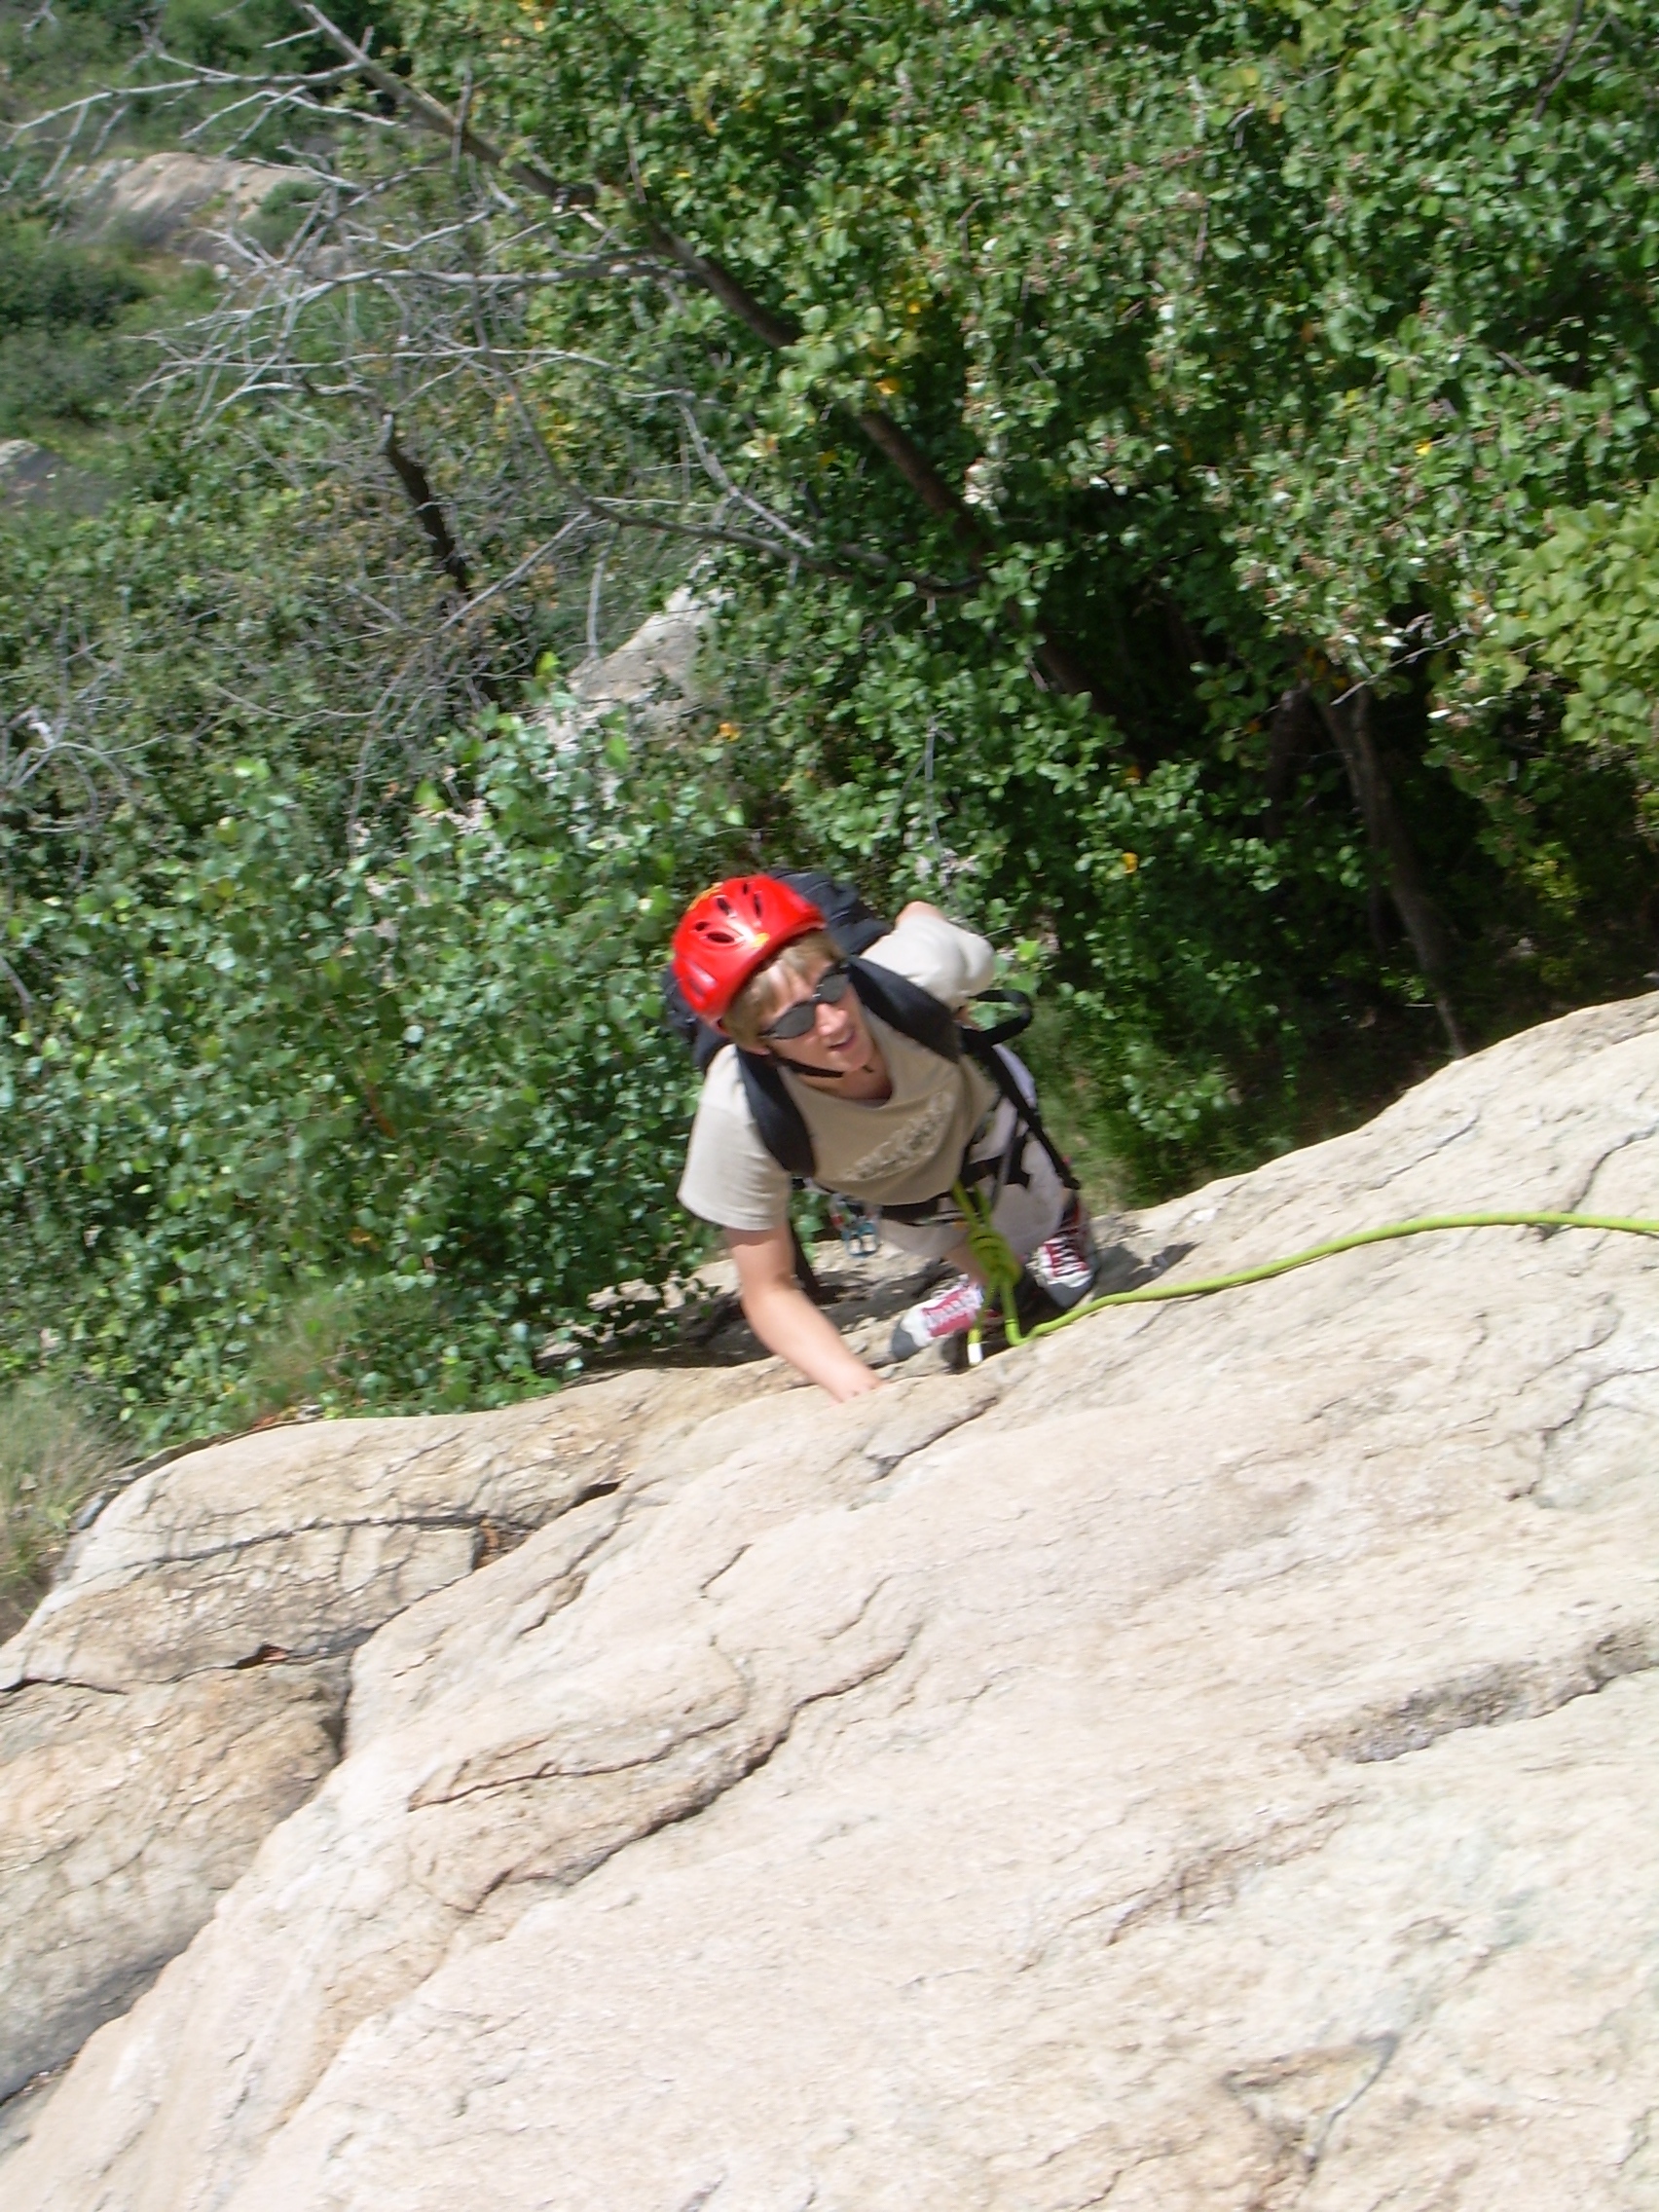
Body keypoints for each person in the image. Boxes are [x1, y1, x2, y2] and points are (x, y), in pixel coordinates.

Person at [673, 874, 1096, 1400]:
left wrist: (948, 994)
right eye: (794, 1021)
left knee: (1031, 1211)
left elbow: (923, 915)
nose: (830, 1023)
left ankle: (1063, 1221)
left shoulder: (917, 971)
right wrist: (860, 1392)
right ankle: (1003, 1286)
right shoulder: (738, 1112)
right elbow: (768, 1289)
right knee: (942, 1229)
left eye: (829, 986)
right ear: (757, 1044)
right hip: (896, 1185)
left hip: (979, 1118)